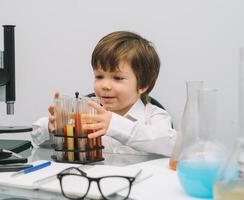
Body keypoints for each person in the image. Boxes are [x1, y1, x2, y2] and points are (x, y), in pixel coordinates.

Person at [31, 31, 176, 156]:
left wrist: (114, 124)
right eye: (99, 76)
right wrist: (53, 128)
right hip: (93, 185)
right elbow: (39, 143)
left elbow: (171, 145)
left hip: (138, 186)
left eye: (117, 78)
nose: (105, 85)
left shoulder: (155, 116)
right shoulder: (87, 114)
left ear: (143, 85)